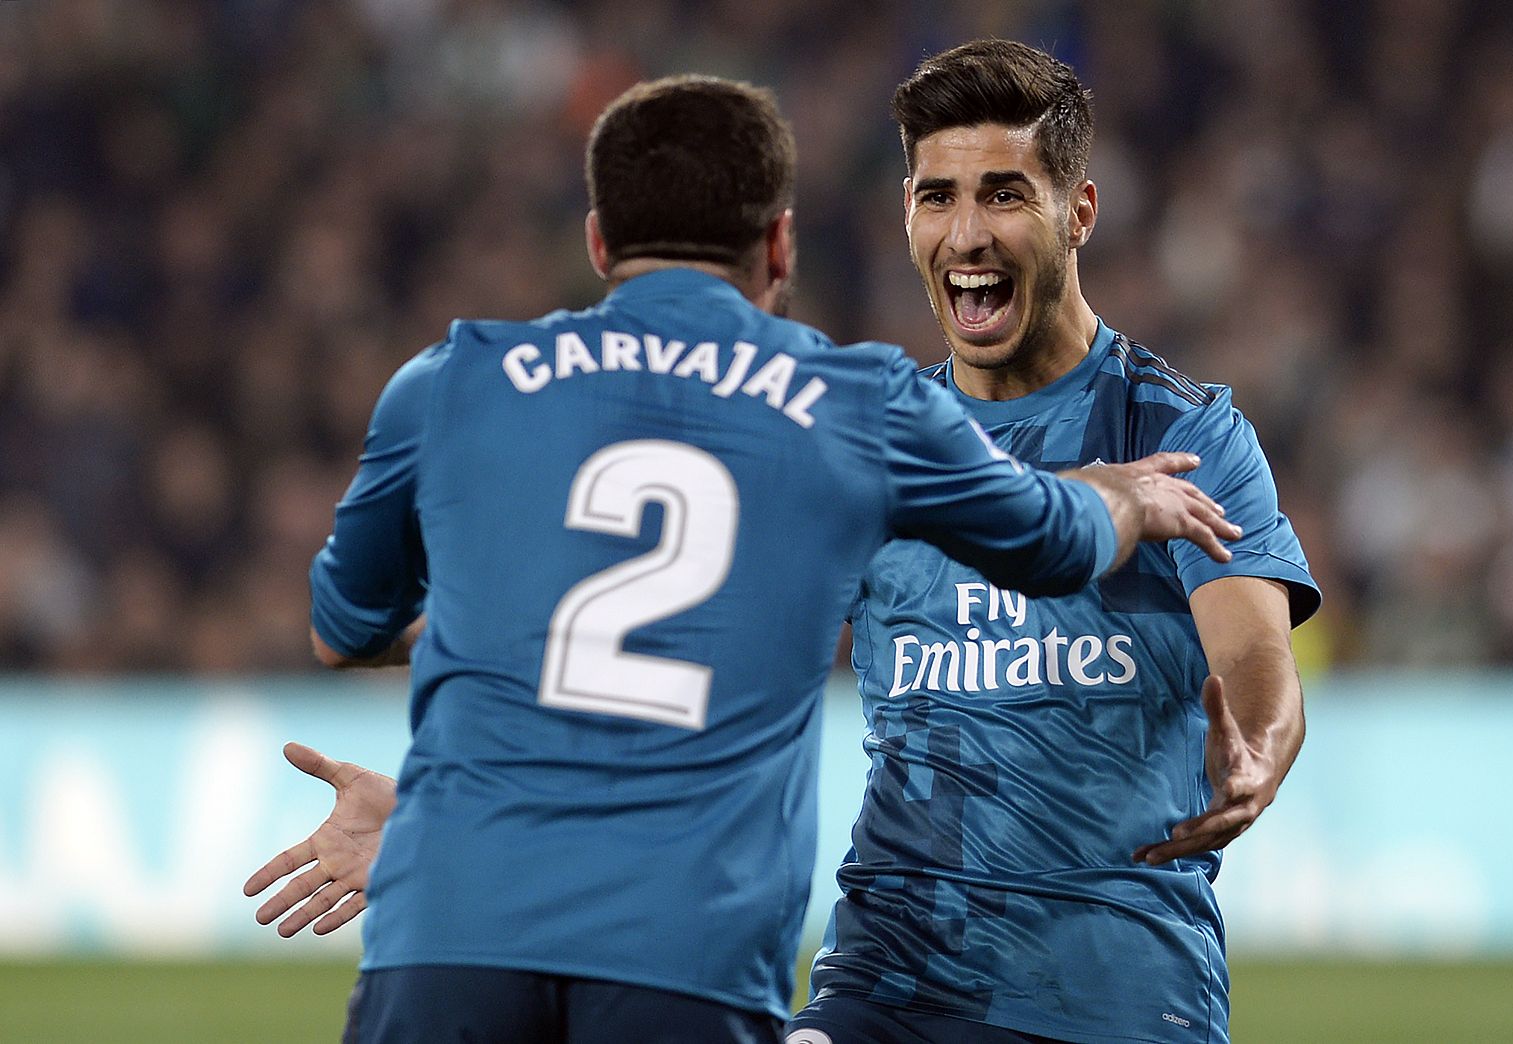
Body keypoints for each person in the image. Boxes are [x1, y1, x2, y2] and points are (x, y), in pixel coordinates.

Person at [244, 73, 1243, 1044]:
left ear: (598, 244)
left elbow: (347, 628)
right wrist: (1126, 495)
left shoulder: (450, 378)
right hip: (687, 957)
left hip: (447, 928)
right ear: (779, 243)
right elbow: (1053, 542)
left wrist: (438, 796)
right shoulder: (851, 404)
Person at [785, 40, 1320, 1044]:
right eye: (937, 197)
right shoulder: (872, 445)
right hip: (888, 975)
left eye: (1002, 195)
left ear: (1077, 212)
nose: (966, 233)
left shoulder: (1179, 431)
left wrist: (1256, 747)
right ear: (906, 211)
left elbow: (1252, 651)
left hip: (1114, 982)